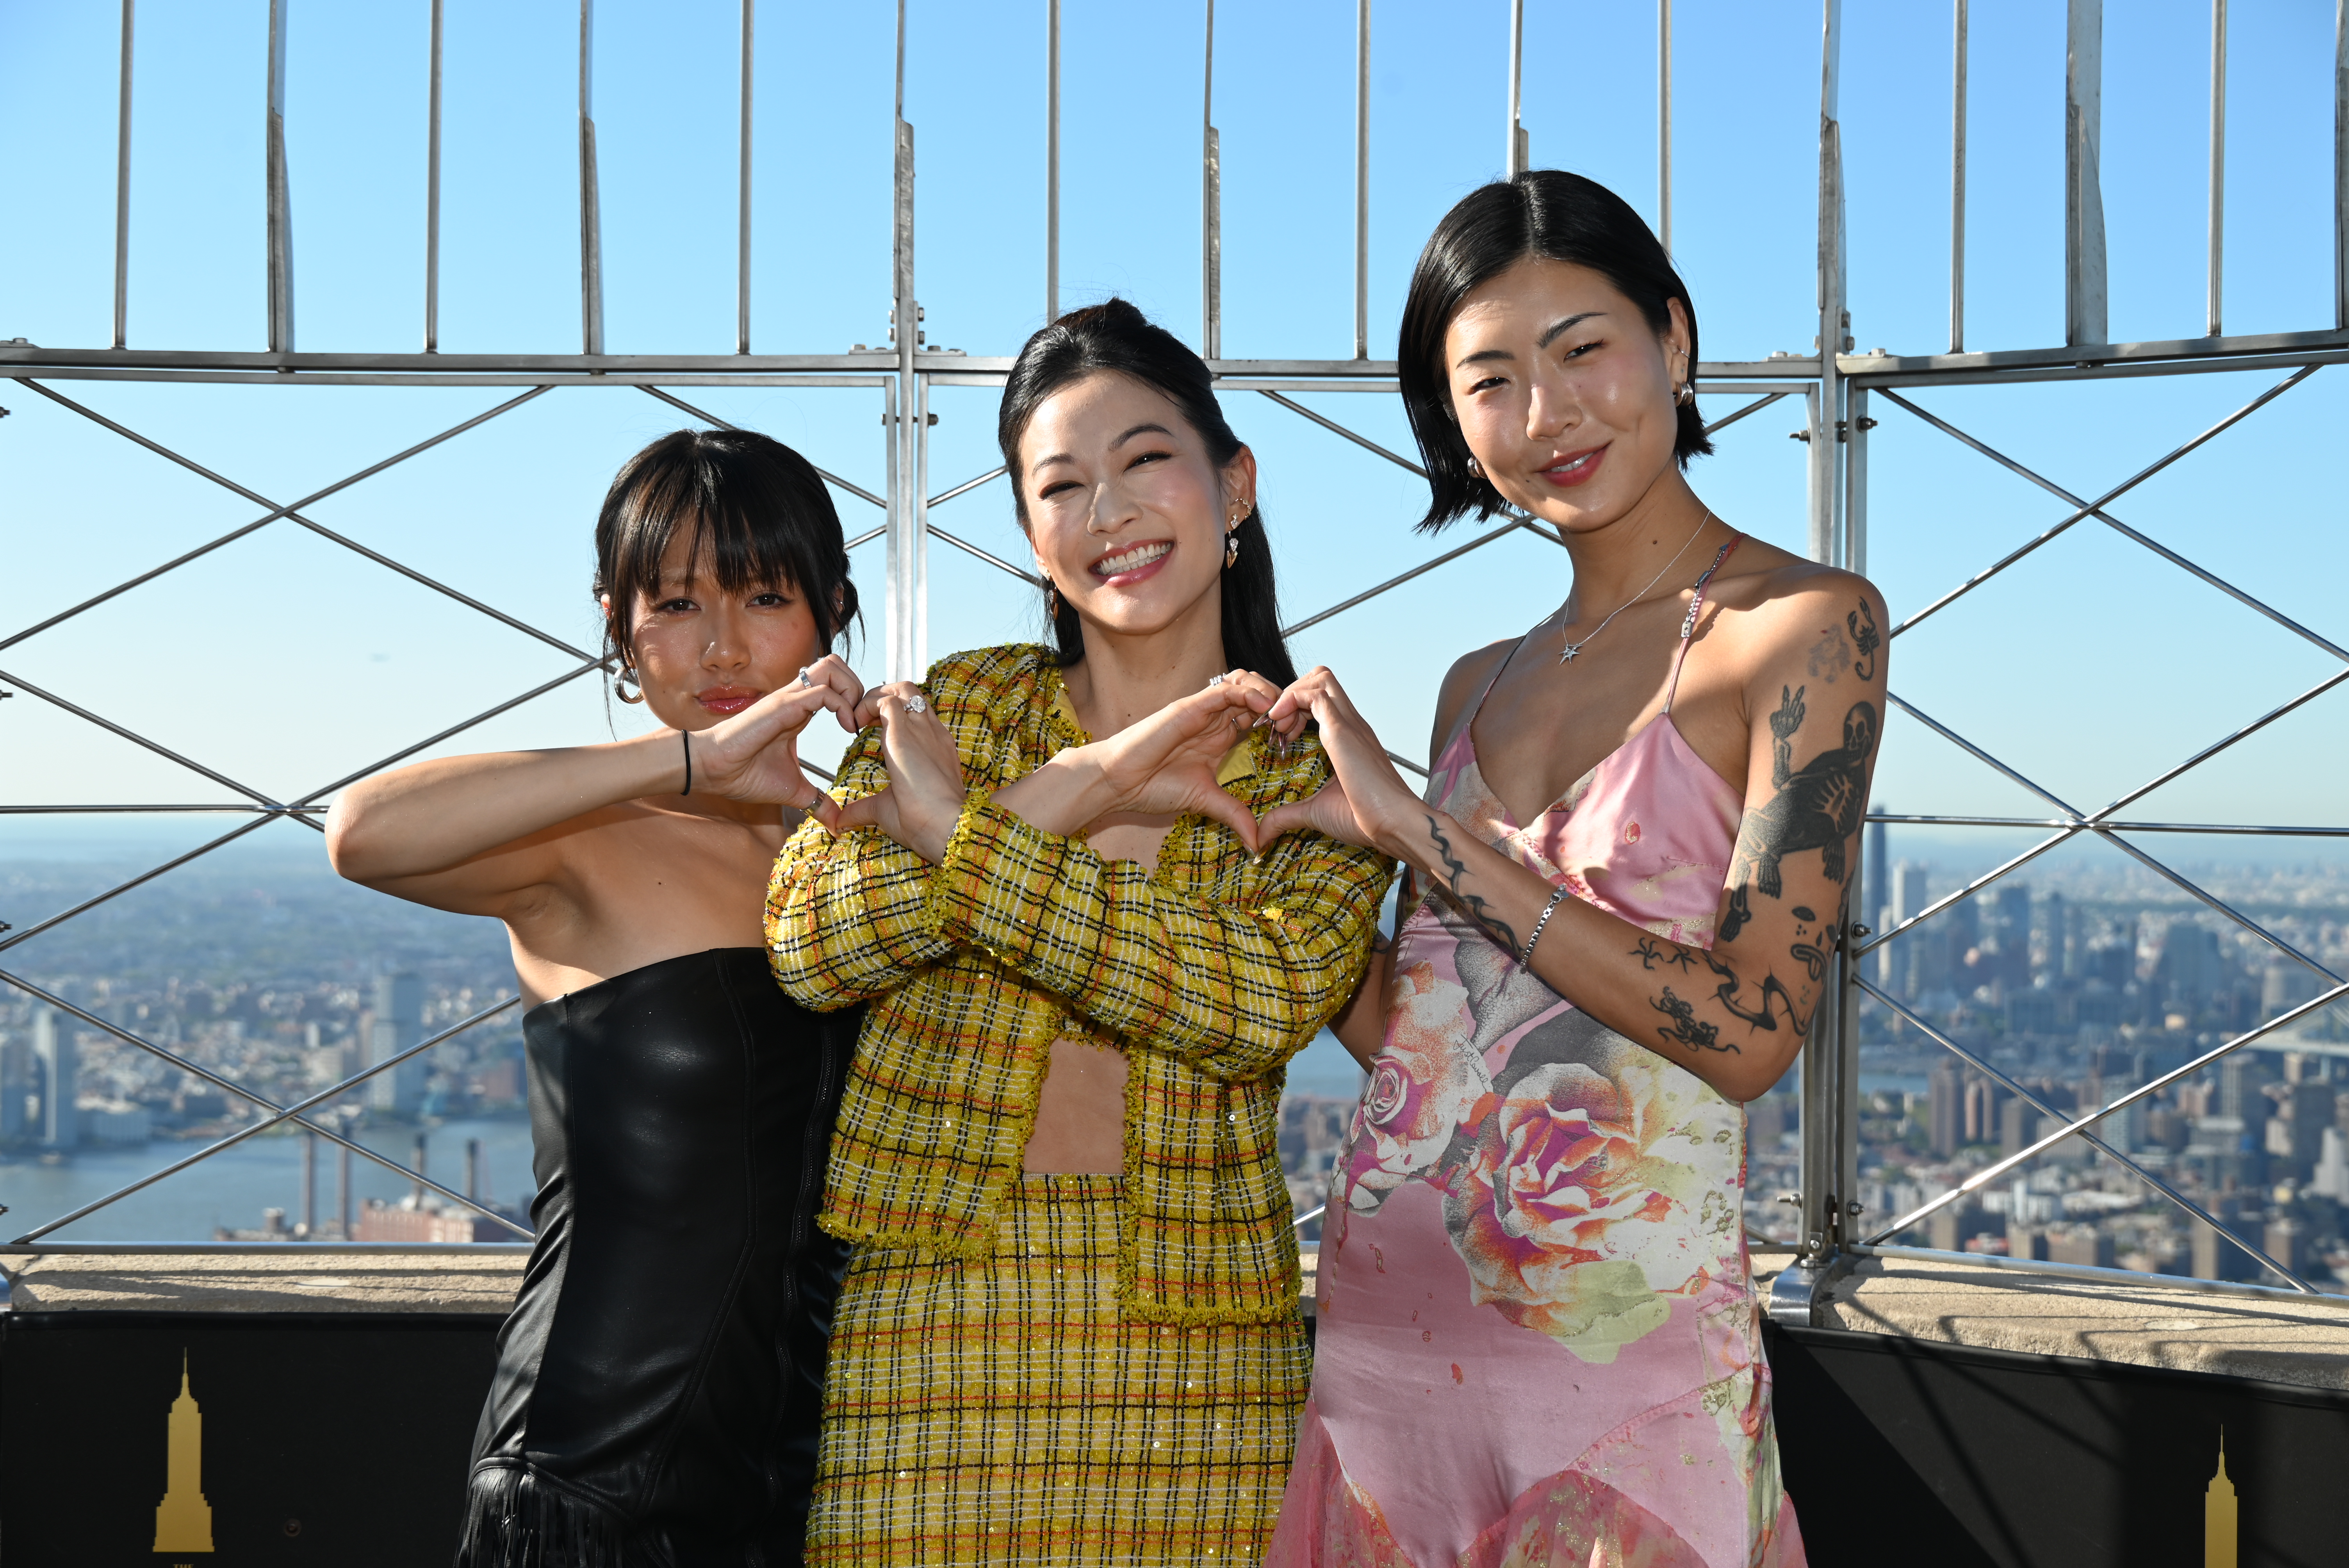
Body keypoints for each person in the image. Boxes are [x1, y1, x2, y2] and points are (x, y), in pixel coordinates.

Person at [1257, 171, 1882, 1567]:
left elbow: (1748, 1031)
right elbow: (1426, 1041)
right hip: (1382, 1362)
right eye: (1490, 380)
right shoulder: (1475, 682)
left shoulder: (1801, 628)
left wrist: (1423, 833)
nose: (1546, 414)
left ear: (1675, 339)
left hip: (1623, 1380)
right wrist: (1277, 850)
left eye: (1582, 348)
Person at [764, 299, 1394, 1566]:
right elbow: (814, 940)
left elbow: (1256, 1002)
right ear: (1029, 530)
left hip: (1203, 1359)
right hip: (926, 1323)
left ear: (1236, 484)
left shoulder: (1316, 766)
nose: (1108, 511)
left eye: (1146, 459)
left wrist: (961, 834)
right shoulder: (958, 709)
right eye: (1061, 486)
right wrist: (1087, 783)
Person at [326, 428, 870, 1567]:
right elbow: (363, 833)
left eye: (765, 596)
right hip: (587, 1485)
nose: (722, 645)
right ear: (620, 626)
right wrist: (687, 764)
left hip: (805, 1498)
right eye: (675, 604)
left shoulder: (858, 854)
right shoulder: (589, 836)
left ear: (831, 611)